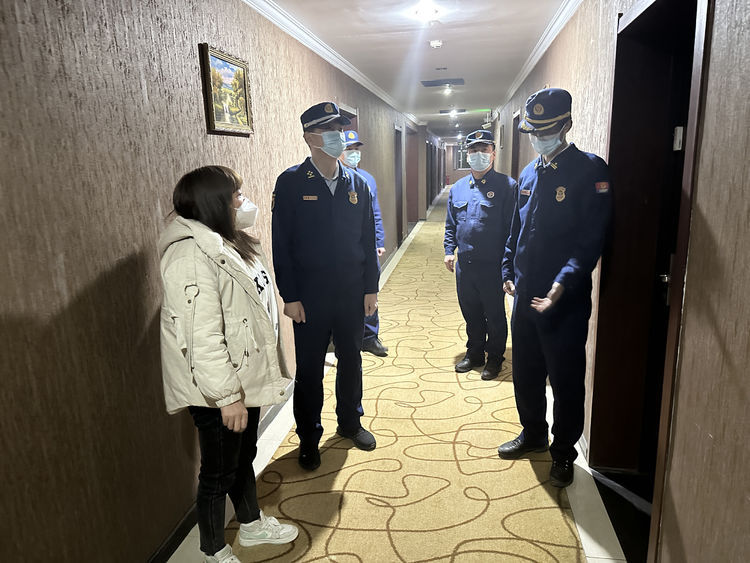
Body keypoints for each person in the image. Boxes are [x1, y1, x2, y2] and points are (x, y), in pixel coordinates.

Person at [159, 166, 298, 563]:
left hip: (242, 378)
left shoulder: (229, 241)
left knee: (242, 457)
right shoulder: (189, 255)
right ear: (215, 202)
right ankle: (213, 549)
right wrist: (226, 398)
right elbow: (201, 337)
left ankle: (250, 524)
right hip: (217, 389)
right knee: (217, 472)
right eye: (236, 195)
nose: (243, 201)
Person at [498, 88, 613, 488]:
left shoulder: (590, 170)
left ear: (566, 125)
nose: (538, 137)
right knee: (526, 371)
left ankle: (563, 451)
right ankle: (532, 433)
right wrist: (507, 268)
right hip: (525, 293)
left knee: (564, 379)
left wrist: (562, 284)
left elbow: (591, 240)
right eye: (534, 131)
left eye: (545, 131)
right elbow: (516, 229)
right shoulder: (530, 173)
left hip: (565, 299)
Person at [272, 102, 380, 471]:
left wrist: (371, 288)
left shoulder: (357, 183)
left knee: (352, 360)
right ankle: (308, 437)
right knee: (310, 369)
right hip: (310, 297)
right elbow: (282, 244)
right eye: (329, 130)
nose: (338, 136)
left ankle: (350, 422)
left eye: (340, 129)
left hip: (351, 292)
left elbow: (367, 240)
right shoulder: (291, 183)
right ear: (310, 138)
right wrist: (290, 296)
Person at [443, 129, 516, 380]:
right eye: (473, 150)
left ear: (493, 154)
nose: (478, 154)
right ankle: (474, 353)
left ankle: (495, 357)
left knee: (494, 315)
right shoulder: (458, 188)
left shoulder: (507, 186)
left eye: (483, 150)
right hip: (465, 265)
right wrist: (448, 250)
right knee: (471, 312)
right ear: (467, 155)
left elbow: (513, 230)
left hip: (492, 266)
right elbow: (451, 223)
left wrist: (509, 267)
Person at [340, 130, 388, 357]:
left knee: (370, 288)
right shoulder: (332, 179)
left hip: (365, 244)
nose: (354, 153)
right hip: (341, 247)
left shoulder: (367, 179)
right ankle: (343, 336)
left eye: (356, 149)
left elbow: (374, 213)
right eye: (348, 149)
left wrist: (379, 240)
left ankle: (369, 337)